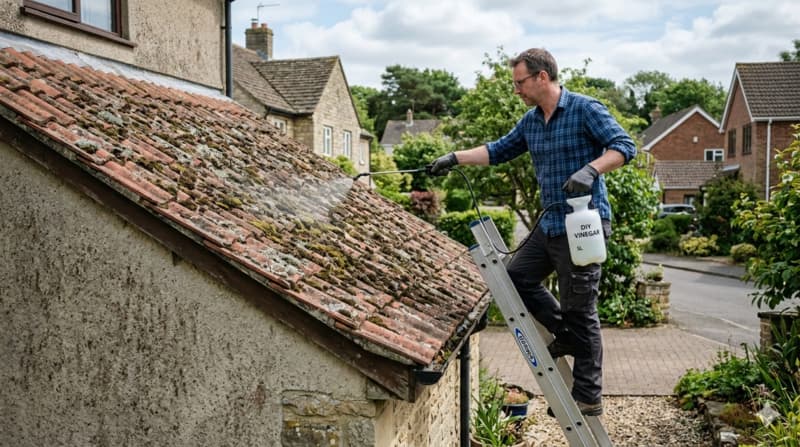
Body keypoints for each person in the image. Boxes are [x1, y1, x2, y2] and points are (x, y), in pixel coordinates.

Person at [427, 48, 636, 416]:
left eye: (519, 83)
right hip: (550, 225)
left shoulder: (586, 109)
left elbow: (624, 146)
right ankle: (565, 332)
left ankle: (588, 397)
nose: (516, 90)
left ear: (542, 77)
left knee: (582, 307)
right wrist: (454, 158)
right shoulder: (530, 122)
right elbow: (498, 151)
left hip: (583, 224)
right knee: (515, 278)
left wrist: (591, 170)